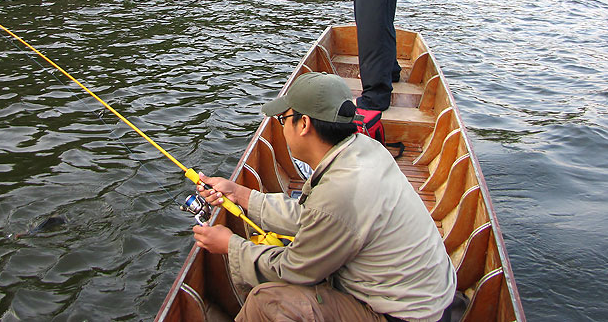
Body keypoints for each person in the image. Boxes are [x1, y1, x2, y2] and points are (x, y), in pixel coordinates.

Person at [192, 72, 456, 322]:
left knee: (266, 302)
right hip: (431, 297)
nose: (282, 129)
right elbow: (313, 218)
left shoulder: (340, 191)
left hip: (406, 316)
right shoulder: (365, 148)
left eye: (283, 120)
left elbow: (296, 270)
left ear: (304, 124)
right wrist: (240, 194)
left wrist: (230, 246)